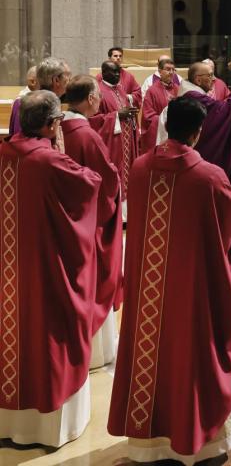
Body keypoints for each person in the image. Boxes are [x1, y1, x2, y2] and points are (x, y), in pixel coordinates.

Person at [108, 96, 231, 464]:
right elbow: (230, 222)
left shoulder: (139, 167)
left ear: (167, 126)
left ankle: (150, 444)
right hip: (192, 291)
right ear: (198, 133)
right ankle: (197, 441)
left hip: (149, 296)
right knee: (192, 353)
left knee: (153, 357)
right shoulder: (209, 177)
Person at [0, 90, 101, 447]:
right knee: (47, 329)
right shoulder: (50, 161)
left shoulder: (3, 153)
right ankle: (44, 427)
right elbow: (91, 185)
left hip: (8, 271)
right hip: (44, 266)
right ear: (53, 124)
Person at [61, 75, 123, 368]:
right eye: (98, 95)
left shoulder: (57, 128)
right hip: (89, 222)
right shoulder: (86, 135)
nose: (101, 99)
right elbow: (106, 179)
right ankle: (97, 352)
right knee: (95, 278)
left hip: (65, 220)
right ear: (89, 99)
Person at [175, 61, 231, 182]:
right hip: (196, 160)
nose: (214, 79)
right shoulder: (193, 97)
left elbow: (220, 106)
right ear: (198, 80)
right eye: (210, 75)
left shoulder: (191, 93)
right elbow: (225, 110)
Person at [89, 60, 139, 208]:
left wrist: (130, 115)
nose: (117, 75)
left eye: (119, 71)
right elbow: (93, 120)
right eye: (113, 72)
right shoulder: (99, 93)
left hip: (126, 141)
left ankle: (125, 213)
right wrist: (117, 116)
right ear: (104, 73)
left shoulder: (121, 90)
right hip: (111, 144)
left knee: (127, 174)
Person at [9, 58, 70, 136]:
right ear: (56, 80)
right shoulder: (25, 104)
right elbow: (19, 140)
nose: (69, 80)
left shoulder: (58, 102)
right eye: (68, 75)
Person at [141, 58, 179, 154]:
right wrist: (165, 121)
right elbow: (148, 115)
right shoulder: (152, 91)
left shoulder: (179, 89)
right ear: (160, 72)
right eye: (167, 69)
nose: (171, 72)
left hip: (177, 132)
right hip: (160, 132)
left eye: (173, 70)